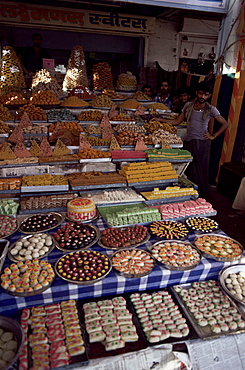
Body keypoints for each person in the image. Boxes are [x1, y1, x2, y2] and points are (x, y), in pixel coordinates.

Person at [157, 81, 228, 198]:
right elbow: (177, 121)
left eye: (206, 95)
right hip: (189, 141)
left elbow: (225, 124)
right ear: (196, 93)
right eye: (200, 94)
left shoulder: (211, 109)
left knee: (201, 170)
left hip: (202, 143)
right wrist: (160, 120)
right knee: (190, 170)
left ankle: (201, 196)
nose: (202, 97)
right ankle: (189, 195)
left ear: (209, 95)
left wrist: (213, 136)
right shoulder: (188, 106)